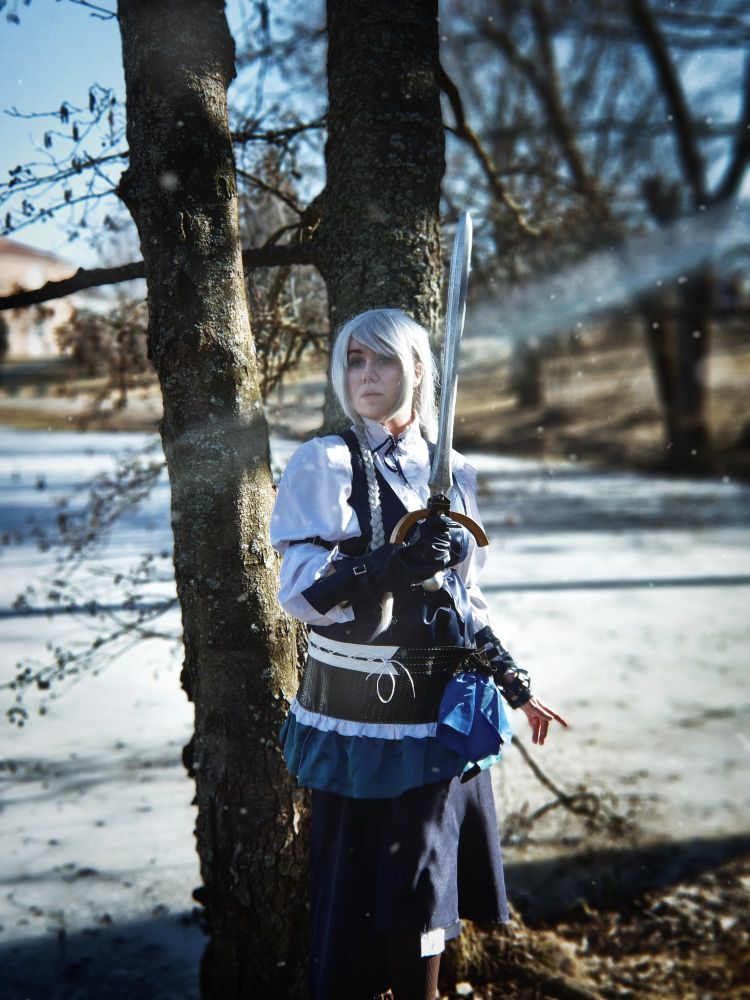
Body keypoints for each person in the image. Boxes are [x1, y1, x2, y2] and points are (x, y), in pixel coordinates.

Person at [270, 308, 567, 1000]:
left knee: (426, 886)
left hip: (442, 717)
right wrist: (391, 564)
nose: (367, 377)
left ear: (420, 372)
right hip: (360, 718)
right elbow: (301, 597)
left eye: (385, 362)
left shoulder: (453, 470)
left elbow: (465, 604)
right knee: (358, 892)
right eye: (355, 361)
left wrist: (513, 681)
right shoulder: (327, 462)